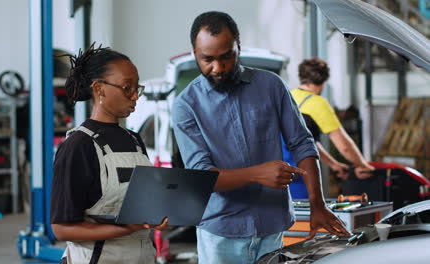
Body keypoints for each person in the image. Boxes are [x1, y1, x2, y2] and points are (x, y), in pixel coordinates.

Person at [171, 11, 349, 264]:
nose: (218, 68)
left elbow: (302, 143)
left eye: (226, 57)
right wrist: (257, 173)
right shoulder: (186, 105)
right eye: (207, 59)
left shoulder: (271, 86)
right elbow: (201, 176)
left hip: (272, 225)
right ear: (194, 52)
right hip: (221, 234)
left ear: (238, 47)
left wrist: (316, 204)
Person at [50, 43, 168, 264]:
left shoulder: (134, 140)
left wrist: (158, 216)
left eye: (137, 88)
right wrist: (125, 229)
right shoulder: (79, 145)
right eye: (127, 87)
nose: (135, 95)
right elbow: (62, 229)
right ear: (99, 88)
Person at [290, 57, 375, 184]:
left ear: (301, 77)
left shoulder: (288, 95)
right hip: (301, 172)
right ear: (324, 82)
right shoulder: (317, 103)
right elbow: (344, 145)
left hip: (278, 170)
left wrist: (334, 164)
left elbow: (307, 142)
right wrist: (363, 165)